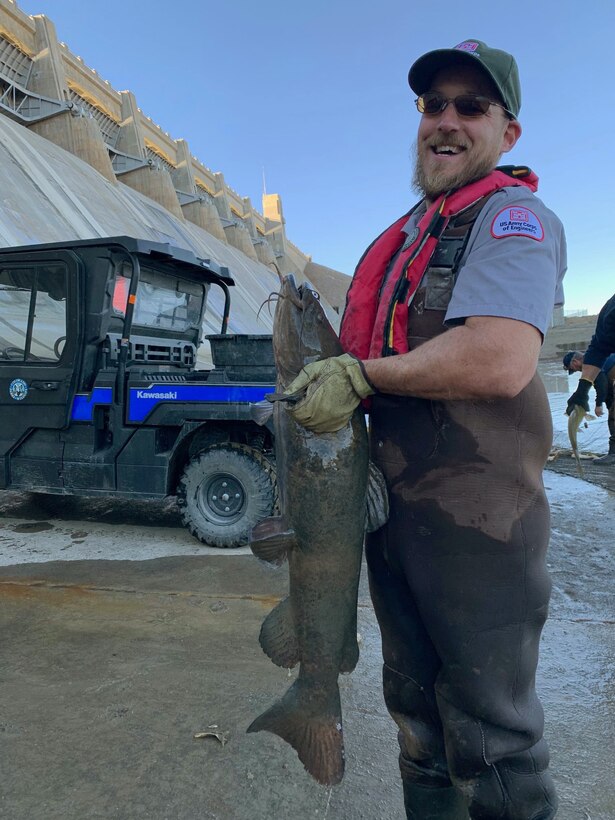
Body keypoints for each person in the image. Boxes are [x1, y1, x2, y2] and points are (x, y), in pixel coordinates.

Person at [284, 39, 566, 819]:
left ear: (506, 133)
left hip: (480, 523)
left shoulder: (511, 220)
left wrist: (360, 374)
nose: (445, 120)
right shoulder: (409, 233)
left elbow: (501, 357)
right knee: (418, 726)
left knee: (492, 739)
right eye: (431, 105)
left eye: (470, 106)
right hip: (395, 521)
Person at [565, 293, 615, 464]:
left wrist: (599, 403)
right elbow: (599, 348)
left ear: (574, 361)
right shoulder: (608, 315)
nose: (574, 370)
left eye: (571, 368)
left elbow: (601, 381)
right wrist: (582, 389)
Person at [562, 349, 608, 416]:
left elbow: (602, 385)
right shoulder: (592, 357)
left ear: (575, 361)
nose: (575, 371)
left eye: (572, 368)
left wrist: (599, 405)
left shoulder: (590, 364)